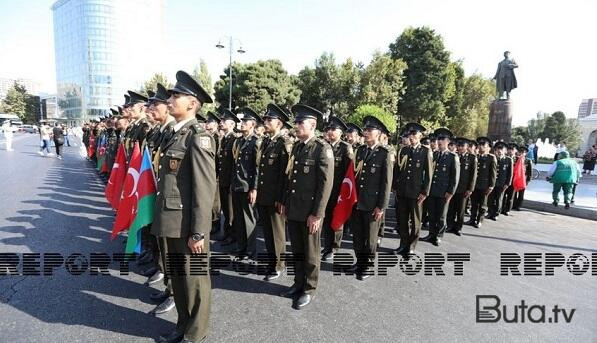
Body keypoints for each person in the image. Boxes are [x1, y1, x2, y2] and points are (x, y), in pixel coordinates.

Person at [151, 70, 216, 343]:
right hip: (171, 221)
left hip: (188, 225)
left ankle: (195, 335)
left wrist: (199, 232)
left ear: (192, 103)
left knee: (195, 282)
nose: (171, 99)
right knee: (178, 278)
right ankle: (182, 324)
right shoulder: (174, 135)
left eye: (177, 95)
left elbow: (204, 188)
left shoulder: (197, 137)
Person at [280, 104, 333, 309]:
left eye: (300, 122)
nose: (296, 125)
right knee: (297, 249)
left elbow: (325, 185)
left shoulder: (322, 148)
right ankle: (298, 283)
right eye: (296, 122)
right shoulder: (298, 146)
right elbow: (290, 177)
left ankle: (309, 289)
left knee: (311, 253)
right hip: (295, 208)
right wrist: (286, 202)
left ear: (313, 125)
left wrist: (317, 214)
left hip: (310, 211)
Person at [350, 116, 393, 279]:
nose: (365, 132)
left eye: (369, 130)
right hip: (357, 200)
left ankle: (367, 266)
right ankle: (359, 262)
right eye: (365, 130)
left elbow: (386, 182)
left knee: (370, 238)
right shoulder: (360, 151)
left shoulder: (384, 153)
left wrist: (381, 206)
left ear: (378, 133)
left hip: (372, 203)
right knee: (358, 235)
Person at [256, 104, 291, 280]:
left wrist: (281, 199)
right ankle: (272, 262)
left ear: (279, 123)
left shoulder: (284, 143)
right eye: (266, 119)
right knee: (268, 232)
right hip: (265, 195)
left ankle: (279, 265)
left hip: (275, 197)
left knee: (277, 233)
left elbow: (286, 175)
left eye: (269, 119)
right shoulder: (268, 141)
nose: (265, 122)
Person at [393, 122, 433, 257]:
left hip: (416, 193)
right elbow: (397, 170)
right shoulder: (403, 150)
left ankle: (411, 247)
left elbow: (429, 174)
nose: (411, 137)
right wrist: (395, 187)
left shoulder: (425, 151)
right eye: (410, 134)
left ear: (420, 136)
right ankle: (403, 244)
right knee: (402, 220)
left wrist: (424, 192)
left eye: (414, 134)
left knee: (415, 222)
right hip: (402, 191)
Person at [321, 116, 353, 261]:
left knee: (337, 220)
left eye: (334, 129)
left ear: (341, 132)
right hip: (326, 191)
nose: (330, 131)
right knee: (326, 219)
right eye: (329, 129)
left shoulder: (346, 148)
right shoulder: (324, 145)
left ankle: (334, 247)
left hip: (339, 192)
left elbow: (349, 174)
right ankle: (327, 246)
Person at [230, 108, 261, 260]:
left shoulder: (256, 142)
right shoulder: (239, 141)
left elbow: (256, 168)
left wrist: (254, 188)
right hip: (237, 185)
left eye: (245, 122)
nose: (242, 124)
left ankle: (250, 250)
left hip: (247, 186)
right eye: (242, 122)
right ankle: (241, 247)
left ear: (252, 125)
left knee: (249, 220)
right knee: (239, 219)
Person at [420, 128, 459, 246]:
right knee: (431, 213)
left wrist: (450, 192)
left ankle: (438, 235)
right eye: (438, 139)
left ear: (448, 141)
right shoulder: (434, 154)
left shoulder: (453, 157)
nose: (439, 141)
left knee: (441, 215)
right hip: (432, 190)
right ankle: (431, 233)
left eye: (442, 139)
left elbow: (455, 177)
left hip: (444, 191)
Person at [215, 109, 240, 244]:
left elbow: (235, 163)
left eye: (224, 121)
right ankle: (226, 232)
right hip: (223, 180)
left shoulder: (234, 139)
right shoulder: (224, 139)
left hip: (230, 181)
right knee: (225, 208)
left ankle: (232, 235)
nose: (221, 123)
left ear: (231, 124)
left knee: (230, 211)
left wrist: (232, 182)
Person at [446, 138, 477, 236]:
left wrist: (470, 189)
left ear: (467, 147)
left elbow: (473, 175)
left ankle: (458, 228)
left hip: (464, 188)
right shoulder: (453, 156)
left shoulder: (472, 158)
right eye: (458, 146)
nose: (460, 148)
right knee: (451, 208)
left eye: (462, 146)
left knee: (461, 210)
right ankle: (450, 225)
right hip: (453, 187)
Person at [465, 137, 497, 228]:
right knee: (474, 203)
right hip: (475, 184)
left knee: (483, 204)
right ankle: (472, 219)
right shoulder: (475, 157)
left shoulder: (491, 158)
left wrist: (491, 186)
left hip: (485, 185)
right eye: (480, 145)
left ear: (489, 148)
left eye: (484, 145)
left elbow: (493, 173)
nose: (481, 147)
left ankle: (479, 220)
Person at [487, 141, 512, 220]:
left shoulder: (508, 160)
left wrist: (507, 183)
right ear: (495, 150)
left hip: (502, 183)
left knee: (499, 199)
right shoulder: (492, 158)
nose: (499, 151)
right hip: (492, 183)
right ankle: (490, 212)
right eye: (498, 149)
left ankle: (496, 214)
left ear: (505, 151)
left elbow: (510, 174)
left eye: (502, 149)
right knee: (490, 198)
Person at [512, 146, 533, 211]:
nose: (521, 153)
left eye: (523, 152)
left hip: (523, 179)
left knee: (521, 193)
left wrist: (528, 180)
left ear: (526, 153)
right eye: (520, 152)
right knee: (514, 193)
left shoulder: (528, 160)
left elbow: (530, 171)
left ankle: (518, 205)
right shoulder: (515, 159)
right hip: (515, 178)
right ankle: (513, 204)